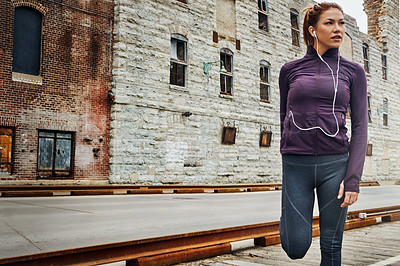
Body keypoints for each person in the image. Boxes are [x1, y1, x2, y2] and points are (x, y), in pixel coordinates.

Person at [278, 2, 368, 265]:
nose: (338, 29)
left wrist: (353, 178)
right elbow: (284, 116)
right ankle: (290, 216)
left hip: (335, 166)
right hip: (296, 165)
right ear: (313, 30)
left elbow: (361, 126)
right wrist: (287, 151)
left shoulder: (354, 72)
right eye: (330, 23)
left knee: (331, 245)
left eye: (341, 23)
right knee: (295, 246)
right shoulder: (290, 70)